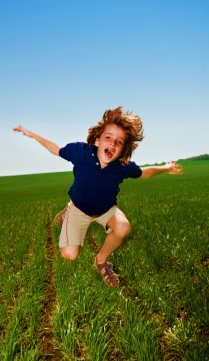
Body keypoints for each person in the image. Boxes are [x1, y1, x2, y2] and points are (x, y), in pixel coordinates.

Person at [13, 107, 183, 287]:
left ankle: (101, 261)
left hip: (106, 210)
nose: (112, 144)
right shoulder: (80, 153)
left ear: (123, 149)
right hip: (79, 209)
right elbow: (55, 149)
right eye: (108, 137)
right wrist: (31, 134)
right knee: (69, 255)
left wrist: (167, 167)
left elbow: (145, 173)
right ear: (97, 140)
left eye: (119, 142)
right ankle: (67, 212)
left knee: (123, 228)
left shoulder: (122, 166)